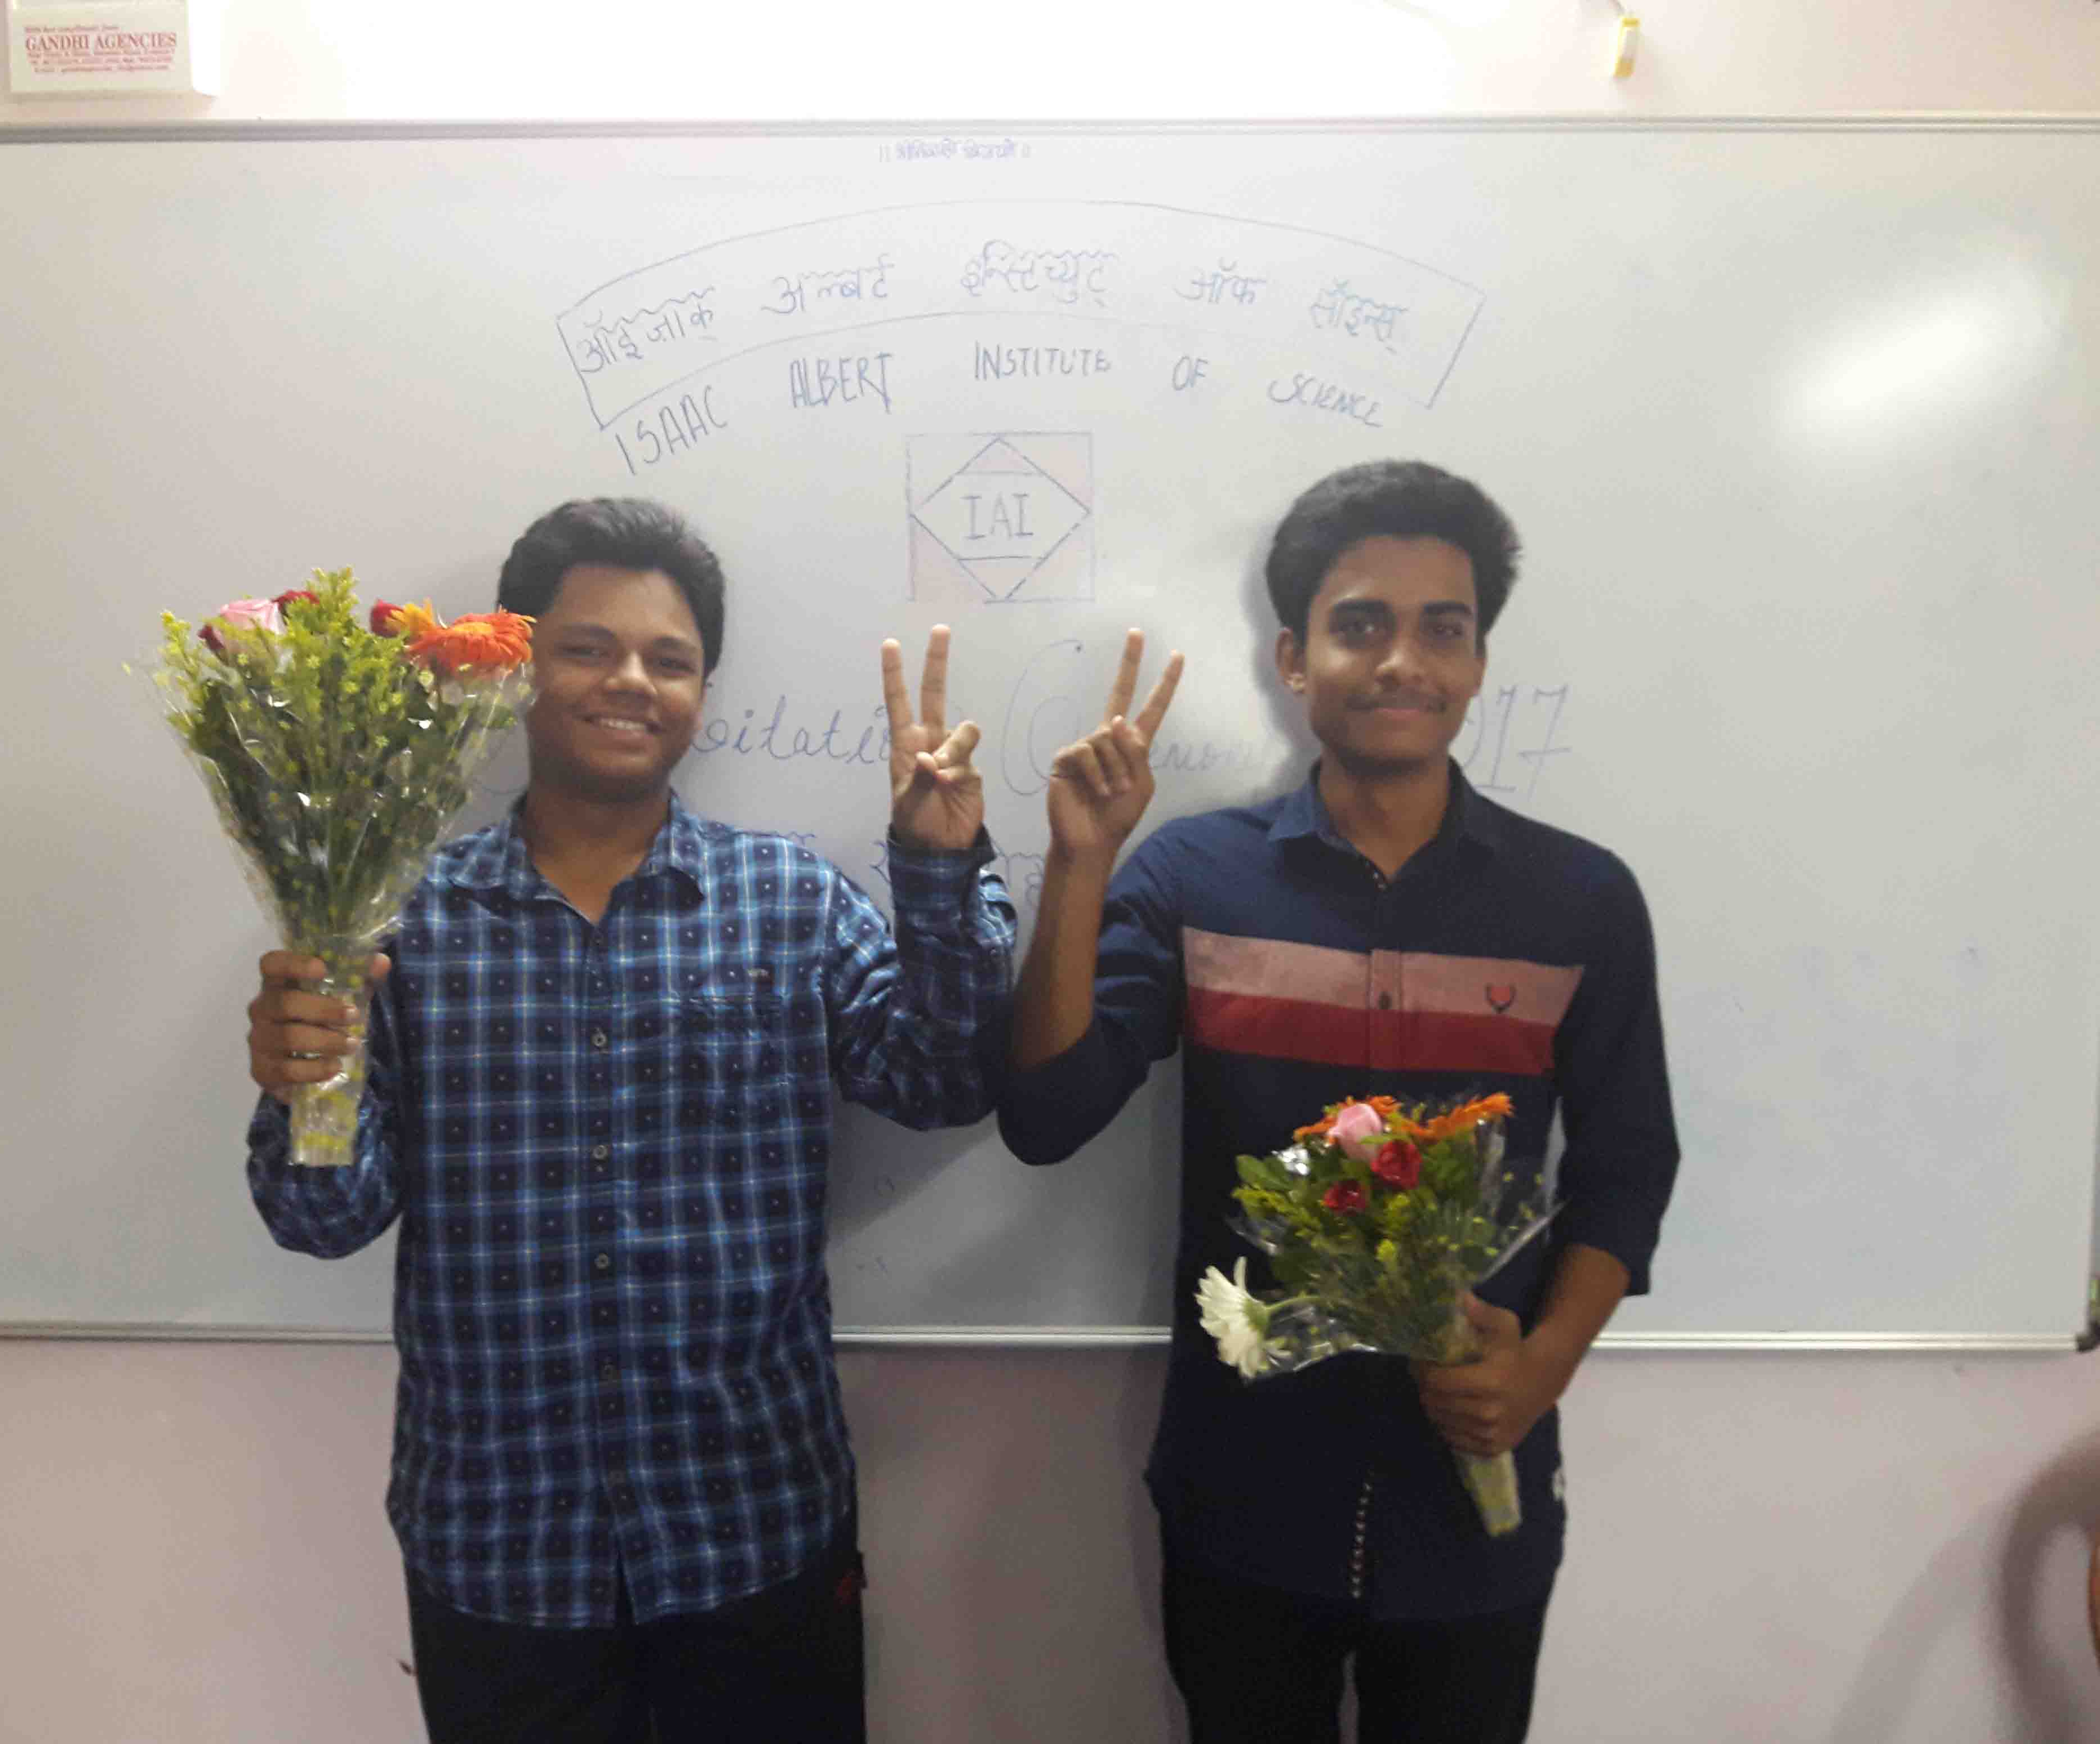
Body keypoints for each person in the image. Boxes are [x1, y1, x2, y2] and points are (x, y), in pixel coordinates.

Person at [242, 497, 1012, 1743]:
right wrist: (299, 1083)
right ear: (517, 669)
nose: (632, 682)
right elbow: (323, 1218)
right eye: (586, 648)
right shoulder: (397, 919)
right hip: (500, 1546)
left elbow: (944, 1084)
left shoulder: (789, 899)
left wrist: (937, 870)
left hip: (754, 1525)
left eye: (671, 659)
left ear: (702, 691)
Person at [997, 460, 1679, 1743]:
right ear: (1294, 659)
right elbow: (1047, 1115)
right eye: (1361, 624)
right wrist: (1081, 870)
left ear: (1479, 662)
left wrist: (1540, 1369)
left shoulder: (1580, 900)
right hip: (1245, 1486)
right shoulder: (1194, 878)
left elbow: (1631, 1166)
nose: (1402, 661)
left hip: (1474, 1482)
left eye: (1443, 628)